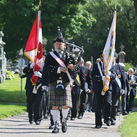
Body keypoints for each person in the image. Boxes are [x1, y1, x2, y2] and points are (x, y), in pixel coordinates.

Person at [42, 37, 77, 133]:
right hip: (53, 82)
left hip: (65, 82)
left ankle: (64, 120)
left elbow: (76, 68)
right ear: (54, 45)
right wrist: (58, 69)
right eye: (57, 44)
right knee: (54, 105)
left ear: (64, 45)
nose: (58, 46)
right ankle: (55, 125)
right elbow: (47, 68)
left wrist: (72, 67)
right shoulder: (50, 55)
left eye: (60, 44)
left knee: (65, 105)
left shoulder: (69, 56)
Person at [110, 56, 126, 125]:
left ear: (115, 58)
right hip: (108, 88)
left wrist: (123, 88)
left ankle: (113, 118)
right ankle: (107, 117)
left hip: (116, 89)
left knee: (114, 104)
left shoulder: (119, 67)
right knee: (107, 104)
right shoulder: (107, 66)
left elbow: (123, 79)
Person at [92, 51, 105, 128]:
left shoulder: (109, 66)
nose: (103, 58)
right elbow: (93, 76)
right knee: (98, 106)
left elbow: (114, 75)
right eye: (102, 57)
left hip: (107, 89)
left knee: (107, 104)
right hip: (98, 88)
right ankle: (98, 123)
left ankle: (107, 118)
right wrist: (101, 78)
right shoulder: (96, 65)